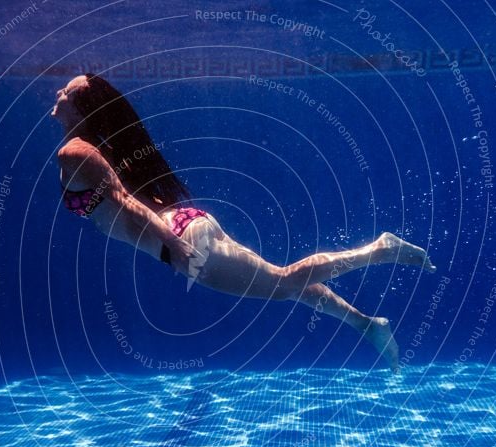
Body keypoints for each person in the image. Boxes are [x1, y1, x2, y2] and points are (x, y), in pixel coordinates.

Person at [52, 74, 437, 372]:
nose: (59, 95)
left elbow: (120, 201)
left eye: (66, 93)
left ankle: (379, 250)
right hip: (189, 224)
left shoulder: (74, 152)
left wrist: (174, 245)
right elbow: (126, 200)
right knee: (281, 284)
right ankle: (366, 324)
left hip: (178, 238)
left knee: (283, 281)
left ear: (83, 110)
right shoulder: (98, 147)